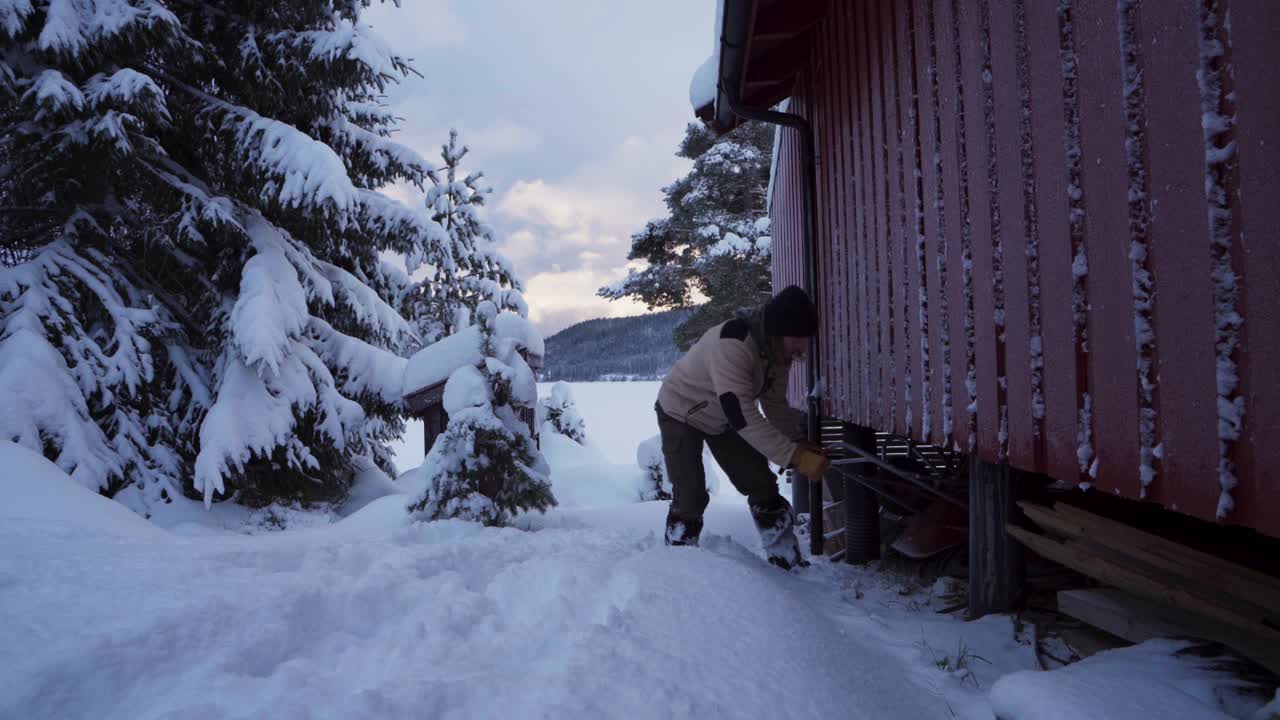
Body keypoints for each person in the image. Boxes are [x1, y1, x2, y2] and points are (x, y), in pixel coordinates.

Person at [655, 285, 831, 570]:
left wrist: (798, 441)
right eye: (798, 339)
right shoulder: (733, 345)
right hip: (681, 411)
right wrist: (794, 457)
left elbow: (774, 404)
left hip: (724, 417)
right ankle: (678, 570)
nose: (802, 348)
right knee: (691, 496)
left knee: (761, 484)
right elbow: (743, 416)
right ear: (778, 331)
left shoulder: (777, 355)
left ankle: (787, 562)